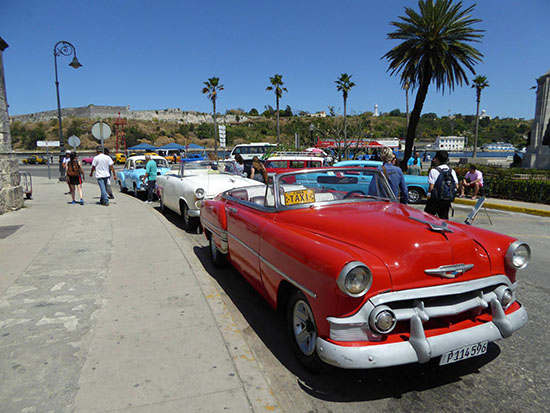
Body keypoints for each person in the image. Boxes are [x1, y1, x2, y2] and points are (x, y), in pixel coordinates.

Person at [424, 150, 458, 219]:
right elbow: (456, 186)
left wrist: (428, 195)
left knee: (428, 217)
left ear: (437, 159)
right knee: (444, 219)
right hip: (446, 200)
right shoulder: (451, 171)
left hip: (435, 200)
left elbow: (431, 187)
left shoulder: (434, 171)